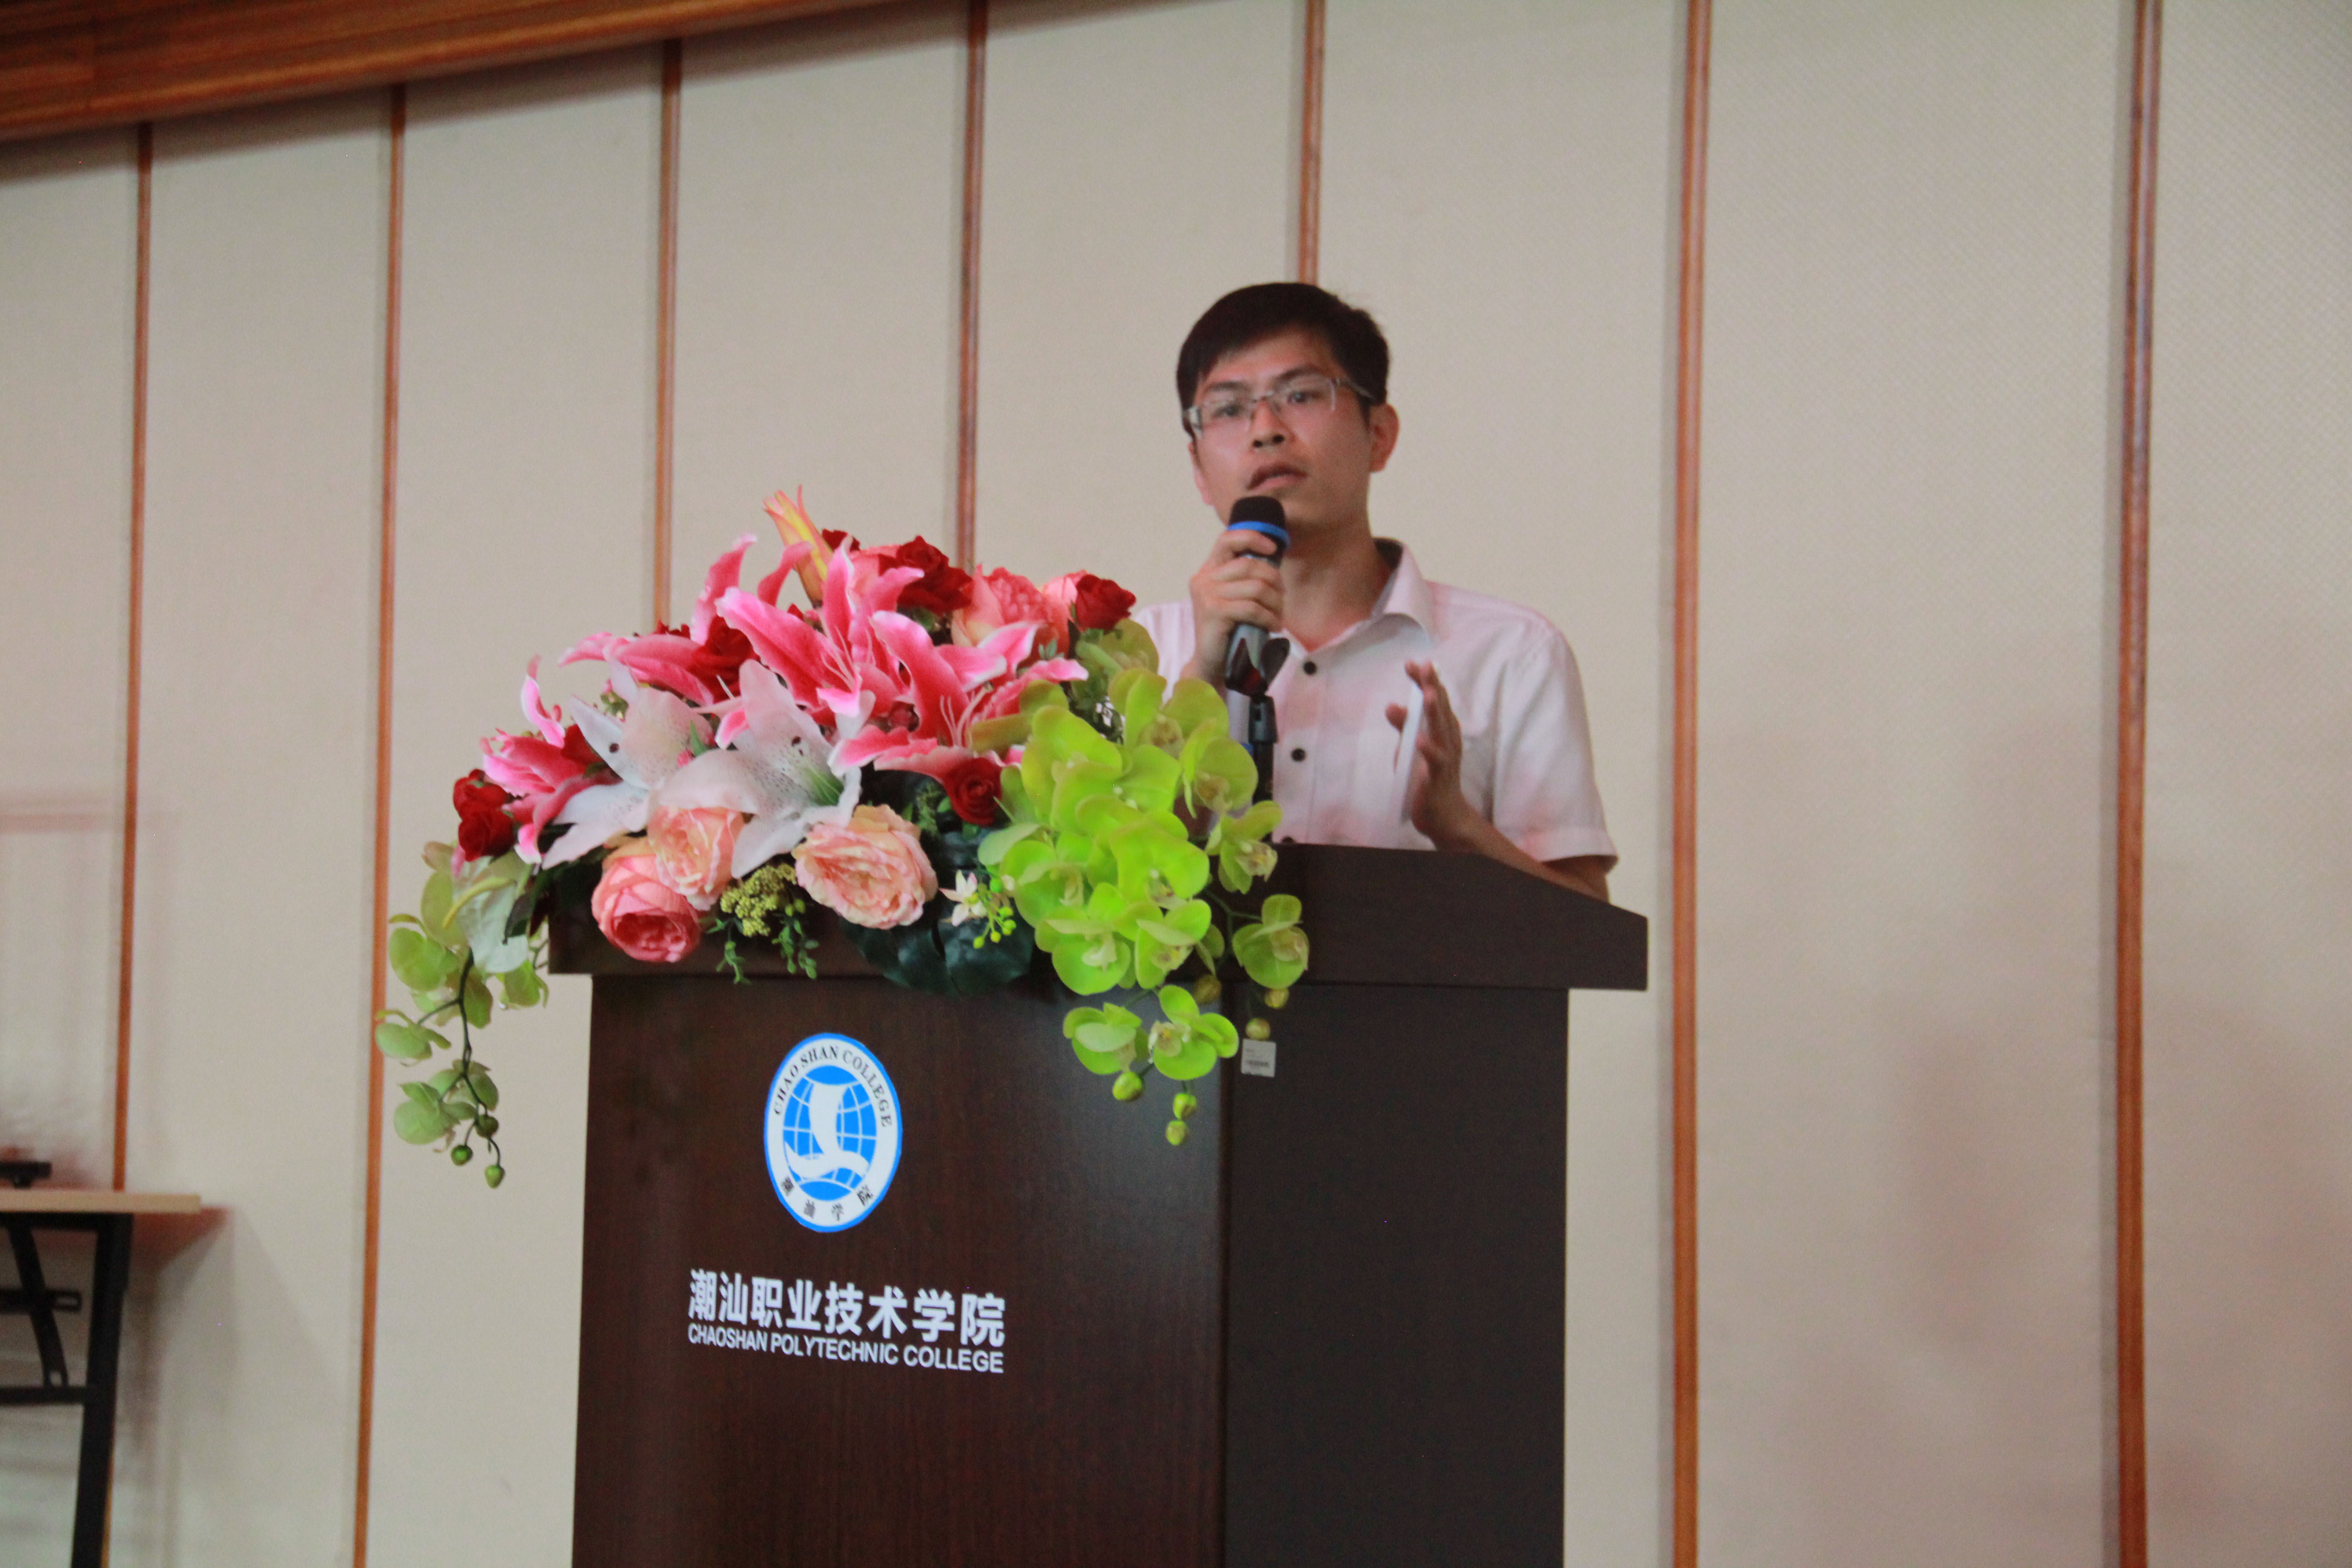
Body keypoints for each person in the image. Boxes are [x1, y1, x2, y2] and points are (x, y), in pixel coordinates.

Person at [1133, 283, 1615, 902]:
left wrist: (1458, 829)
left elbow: (1587, 925)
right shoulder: (1142, 651)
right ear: (1199, 469)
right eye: (1228, 409)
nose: (1265, 430)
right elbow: (1104, 891)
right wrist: (1203, 676)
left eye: (1301, 395)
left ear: (1379, 435)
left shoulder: (1512, 654)